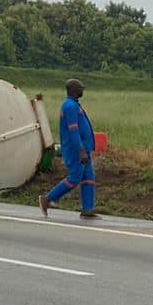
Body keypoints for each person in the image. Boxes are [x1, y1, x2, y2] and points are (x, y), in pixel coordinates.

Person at [39, 79, 98, 220]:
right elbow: (73, 130)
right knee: (75, 177)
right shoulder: (70, 106)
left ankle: (87, 210)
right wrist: (80, 150)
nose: (82, 90)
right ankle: (47, 199)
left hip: (84, 148)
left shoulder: (73, 105)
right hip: (75, 149)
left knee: (88, 178)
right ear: (73, 90)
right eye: (80, 88)